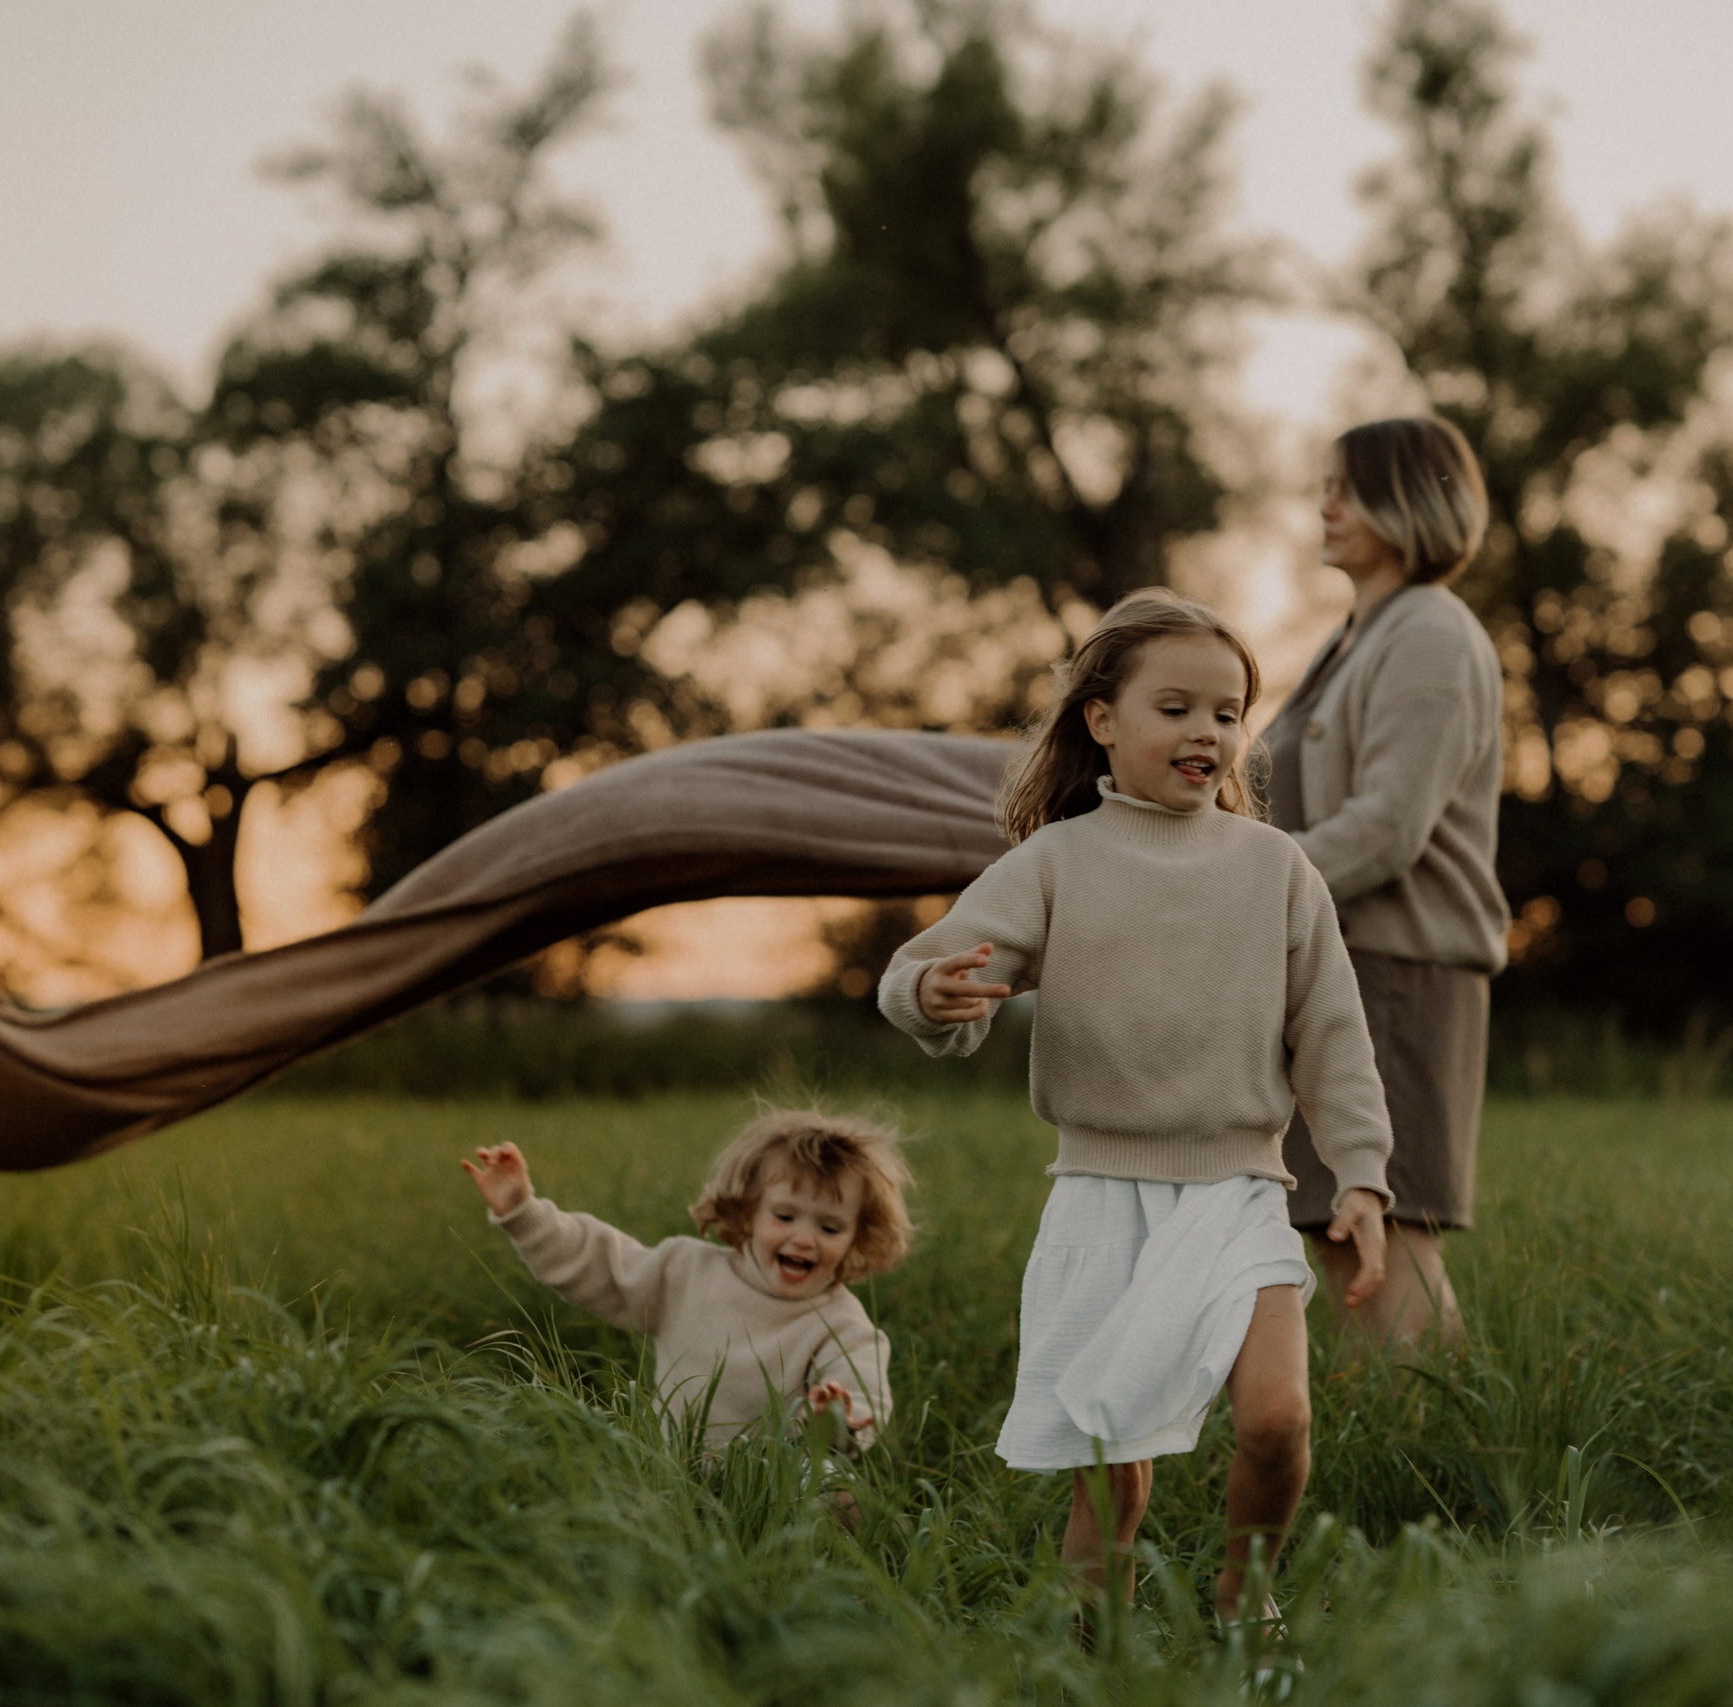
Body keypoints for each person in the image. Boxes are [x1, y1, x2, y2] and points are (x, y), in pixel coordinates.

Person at [877, 588, 1395, 1627]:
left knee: (1278, 1420)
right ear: (1101, 721)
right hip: (1101, 1196)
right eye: (1176, 708)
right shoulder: (1057, 862)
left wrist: (1364, 1176)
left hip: (1242, 1189)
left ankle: (1243, 1601)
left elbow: (1332, 1035)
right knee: (1112, 1455)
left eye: (1227, 711)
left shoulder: (1275, 869)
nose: (1207, 732)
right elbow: (930, 966)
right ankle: (1089, 1641)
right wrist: (932, 994)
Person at [1259, 417, 1507, 1353]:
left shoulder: (1432, 633)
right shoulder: (1363, 633)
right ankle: (1402, 1463)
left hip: (1398, 971)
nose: (1325, 505)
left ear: (1411, 501)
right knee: (1347, 1231)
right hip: (1353, 964)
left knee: (1386, 1232)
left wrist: (1239, 889)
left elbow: (1388, 829)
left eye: (1347, 487)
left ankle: (1446, 1471)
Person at [460, 1107, 910, 1451]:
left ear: (857, 1237)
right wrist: (523, 1212)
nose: (805, 1239)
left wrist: (837, 1421)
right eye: (785, 1215)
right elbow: (600, 1264)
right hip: (670, 1471)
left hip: (773, 1491)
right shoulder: (688, 1272)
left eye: (829, 1228)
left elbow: (862, 1388)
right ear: (748, 1211)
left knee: (837, 1494)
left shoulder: (841, 1322)